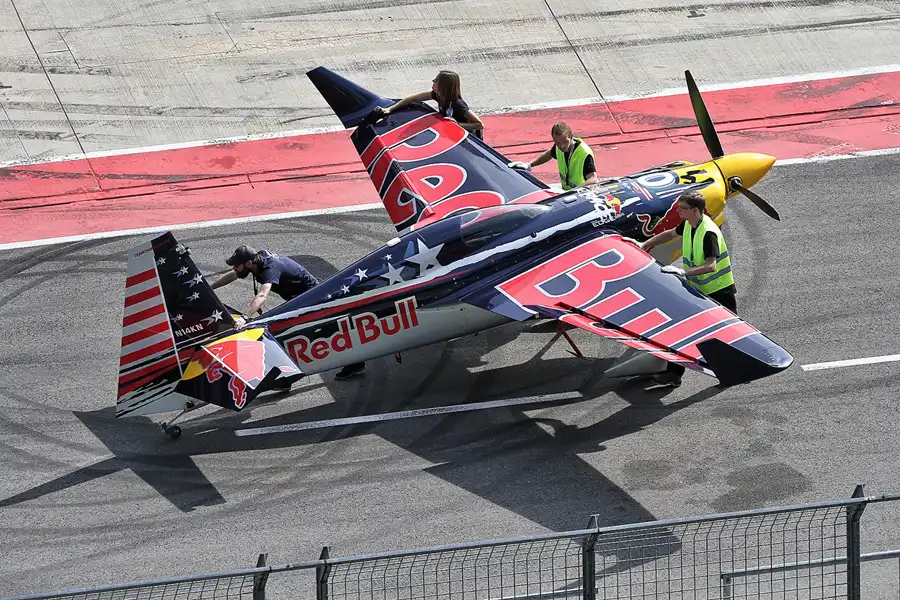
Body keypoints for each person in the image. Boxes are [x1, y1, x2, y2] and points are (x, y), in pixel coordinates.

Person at [211, 245, 366, 381]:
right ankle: (287, 378)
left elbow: (263, 295)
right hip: (297, 300)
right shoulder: (256, 261)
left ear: (249, 263)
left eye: (236, 265)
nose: (234, 268)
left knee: (306, 335)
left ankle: (287, 378)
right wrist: (211, 288)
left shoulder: (270, 268)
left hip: (312, 299)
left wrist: (245, 317)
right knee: (302, 335)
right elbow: (233, 275)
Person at [637, 190, 737, 387]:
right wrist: (645, 243)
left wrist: (683, 273)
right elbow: (670, 234)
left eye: (682, 208)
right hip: (700, 289)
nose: (679, 211)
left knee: (730, 334)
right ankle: (674, 374)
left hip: (719, 291)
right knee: (686, 330)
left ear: (695, 210)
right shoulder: (690, 225)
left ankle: (742, 368)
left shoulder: (708, 233)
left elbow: (711, 266)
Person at [375, 70, 485, 139]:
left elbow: (479, 124)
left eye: (436, 80)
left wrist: (458, 124)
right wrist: (389, 109)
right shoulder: (437, 95)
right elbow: (413, 98)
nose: (433, 81)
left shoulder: (458, 104)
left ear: (443, 85)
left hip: (468, 138)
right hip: (453, 133)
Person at [507, 122, 598, 190]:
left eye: (565, 142)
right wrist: (529, 165)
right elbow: (549, 154)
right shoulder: (559, 146)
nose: (561, 146)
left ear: (571, 136)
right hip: (567, 194)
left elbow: (593, 179)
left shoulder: (584, 153)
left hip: (582, 196)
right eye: (557, 143)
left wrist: (574, 191)